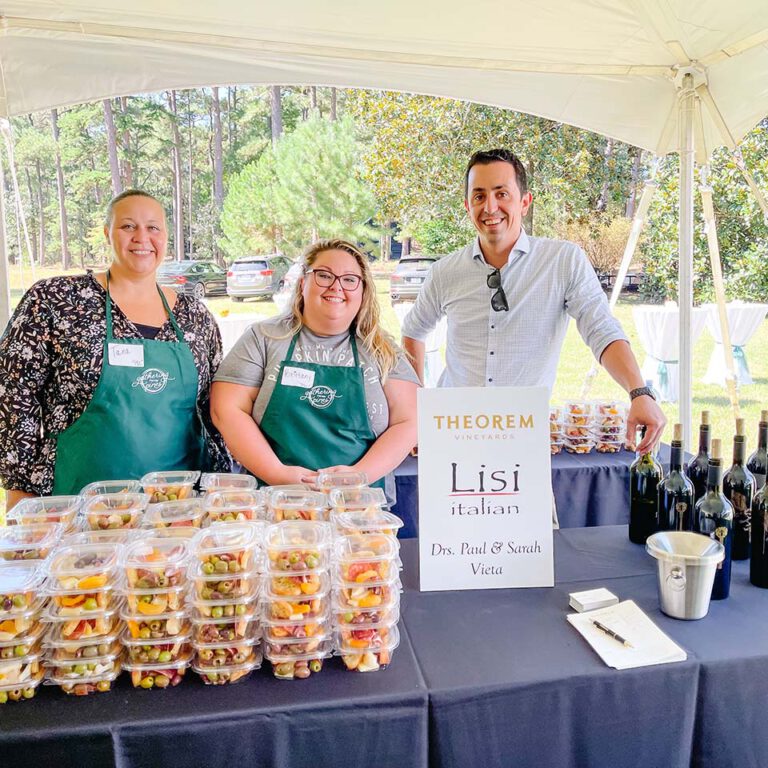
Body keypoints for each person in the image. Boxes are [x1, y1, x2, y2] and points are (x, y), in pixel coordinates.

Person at [402, 148, 666, 451]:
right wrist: (415, 406)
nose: (490, 207)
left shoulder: (562, 261)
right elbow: (413, 330)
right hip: (453, 433)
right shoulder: (445, 271)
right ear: (467, 205)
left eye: (502, 194)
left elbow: (601, 329)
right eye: (479, 196)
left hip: (524, 436)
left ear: (524, 202)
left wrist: (638, 392)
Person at [0, 189, 229, 509]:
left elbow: (211, 410)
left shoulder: (195, 317)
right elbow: (14, 395)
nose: (142, 238)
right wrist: (19, 488)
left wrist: (220, 486)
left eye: (153, 228)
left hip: (176, 509)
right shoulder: (55, 300)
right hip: (76, 503)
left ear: (165, 237)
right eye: (128, 226)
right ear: (108, 233)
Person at [210, 238, 419, 498]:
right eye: (324, 275)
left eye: (350, 279)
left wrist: (359, 475)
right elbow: (226, 409)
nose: (336, 286)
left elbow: (409, 421)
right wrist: (277, 474)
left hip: (358, 507)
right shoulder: (263, 338)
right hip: (274, 501)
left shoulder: (382, 350)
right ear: (302, 283)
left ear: (363, 290)